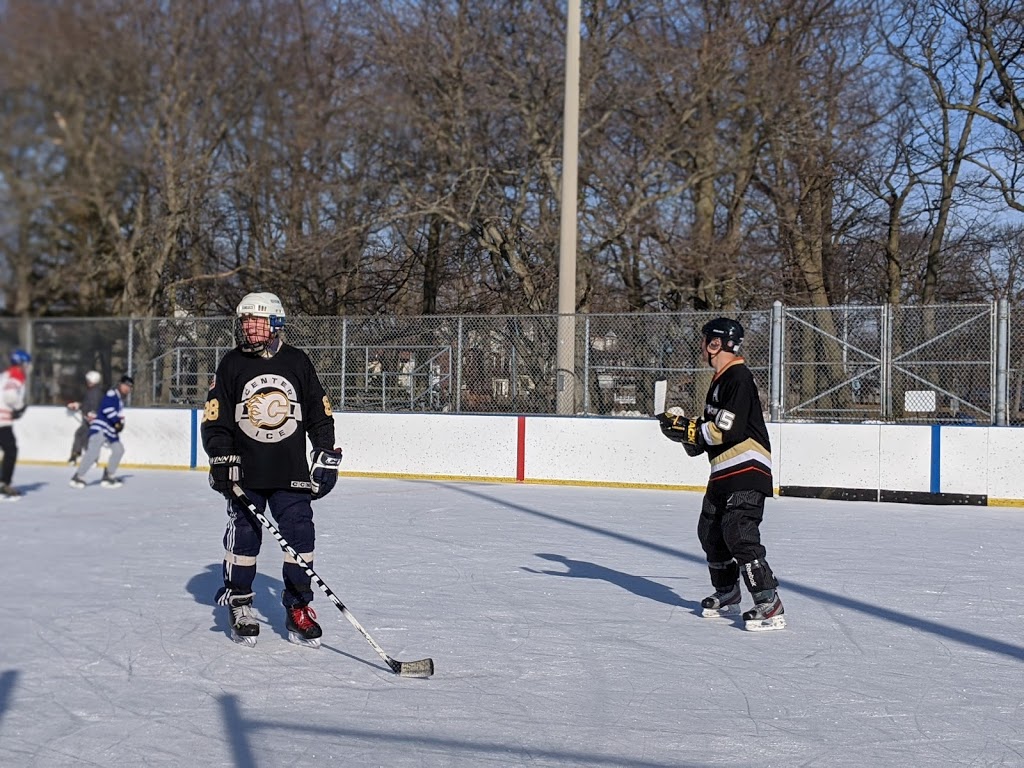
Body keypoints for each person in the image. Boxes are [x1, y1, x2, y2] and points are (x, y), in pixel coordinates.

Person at [201, 291, 343, 648]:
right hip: (244, 474)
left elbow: (319, 414)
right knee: (245, 536)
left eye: (257, 320)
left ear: (276, 323)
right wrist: (221, 460)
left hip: (289, 472)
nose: (249, 326)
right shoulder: (232, 364)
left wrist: (325, 456)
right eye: (245, 320)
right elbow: (215, 421)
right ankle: (240, 602)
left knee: (300, 536)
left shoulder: (297, 362)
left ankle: (298, 607)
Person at [657, 317, 785, 631]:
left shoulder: (738, 377)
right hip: (722, 471)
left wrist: (690, 429)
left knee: (739, 532)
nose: (702, 346)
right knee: (710, 532)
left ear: (715, 344)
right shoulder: (719, 380)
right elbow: (707, 434)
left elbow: (729, 429)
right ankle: (728, 592)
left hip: (747, 469)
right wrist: (683, 433)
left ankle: (769, 602)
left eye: (705, 341)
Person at [70, 374, 133, 489]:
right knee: (92, 453)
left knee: (119, 450)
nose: (127, 388)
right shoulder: (112, 394)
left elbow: (115, 415)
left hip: (109, 431)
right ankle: (78, 476)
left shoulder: (119, 399)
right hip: (100, 428)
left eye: (130, 387)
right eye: (126, 385)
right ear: (120, 384)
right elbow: (107, 409)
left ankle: (108, 475)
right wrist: (117, 422)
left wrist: (119, 424)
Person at [0, 349, 31, 499]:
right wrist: (19, 407)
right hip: (2, 421)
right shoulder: (15, 375)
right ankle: (4, 483)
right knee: (11, 450)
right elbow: (10, 396)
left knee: (9, 450)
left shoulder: (5, 375)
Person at [66, 370, 104, 464]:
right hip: (91, 418)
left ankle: (77, 456)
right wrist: (78, 405)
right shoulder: (94, 391)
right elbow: (88, 404)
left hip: (91, 419)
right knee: (84, 436)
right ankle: (85, 457)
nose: (87, 382)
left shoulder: (94, 392)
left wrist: (91, 415)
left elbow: (93, 405)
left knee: (81, 435)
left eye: (88, 380)